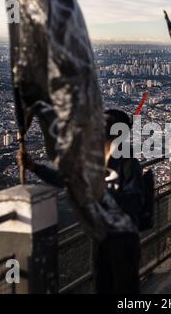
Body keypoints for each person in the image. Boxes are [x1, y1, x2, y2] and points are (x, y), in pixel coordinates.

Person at [17, 109, 144, 294]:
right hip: (101, 236)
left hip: (123, 238)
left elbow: (135, 201)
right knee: (102, 285)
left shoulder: (128, 164)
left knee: (125, 288)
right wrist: (34, 167)